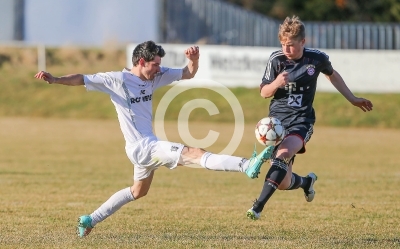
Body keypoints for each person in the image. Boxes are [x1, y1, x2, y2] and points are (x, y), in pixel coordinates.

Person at [34, 40, 272, 237]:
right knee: (194, 152)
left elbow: (188, 73)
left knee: (138, 191)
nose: (159, 69)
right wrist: (55, 79)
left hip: (142, 147)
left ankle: (90, 219)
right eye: (155, 64)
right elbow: (82, 79)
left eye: (160, 64)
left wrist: (194, 59)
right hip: (144, 147)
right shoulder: (117, 80)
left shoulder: (155, 76)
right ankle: (246, 165)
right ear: (141, 62)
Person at [246, 16, 373, 220]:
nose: (286, 49)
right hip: (277, 125)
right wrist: (277, 82)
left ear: (303, 42)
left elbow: (332, 74)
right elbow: (264, 93)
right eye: (283, 45)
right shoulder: (276, 60)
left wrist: (352, 98)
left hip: (301, 122)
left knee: (282, 155)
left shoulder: (316, 59)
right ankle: (306, 183)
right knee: (284, 182)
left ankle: (257, 208)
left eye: (291, 45)